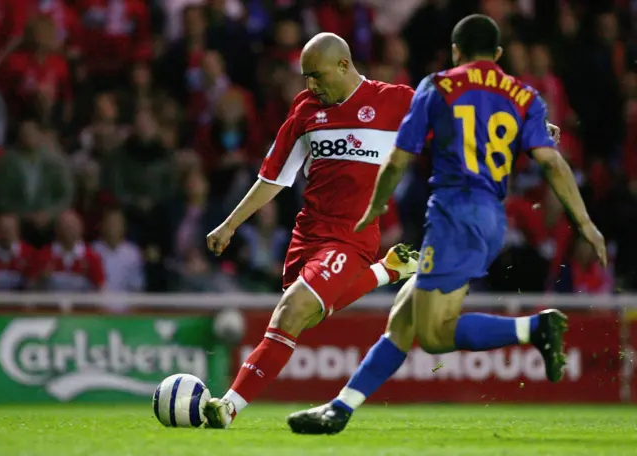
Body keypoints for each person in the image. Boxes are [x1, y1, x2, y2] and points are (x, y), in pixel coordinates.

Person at [286, 14, 607, 435]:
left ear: (455, 52)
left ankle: (535, 327)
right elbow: (551, 161)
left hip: (455, 216)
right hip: (492, 217)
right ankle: (340, 409)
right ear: (497, 54)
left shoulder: (437, 87)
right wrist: (584, 221)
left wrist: (374, 208)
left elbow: (400, 158)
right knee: (404, 316)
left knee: (435, 335)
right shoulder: (523, 95)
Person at [203, 32, 420, 429]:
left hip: (352, 236)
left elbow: (459, 115)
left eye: (316, 76)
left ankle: (228, 407)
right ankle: (387, 271)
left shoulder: (396, 101)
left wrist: (525, 126)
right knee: (304, 316)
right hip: (308, 234)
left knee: (292, 310)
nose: (311, 85)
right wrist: (230, 224)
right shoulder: (305, 110)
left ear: (343, 65)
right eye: (305, 77)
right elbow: (274, 177)